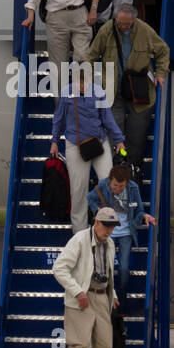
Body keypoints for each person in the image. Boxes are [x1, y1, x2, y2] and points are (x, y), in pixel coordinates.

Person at [86, 3, 168, 181]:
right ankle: (117, 171)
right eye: (120, 23)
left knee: (136, 136)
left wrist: (161, 73)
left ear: (134, 20)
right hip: (113, 90)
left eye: (127, 24)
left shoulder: (145, 31)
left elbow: (163, 51)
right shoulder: (108, 29)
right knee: (115, 134)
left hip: (139, 91)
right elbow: (90, 56)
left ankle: (132, 171)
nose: (123, 27)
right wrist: (90, 81)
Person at [53, 205, 121, 348]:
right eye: (106, 226)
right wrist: (77, 291)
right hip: (81, 297)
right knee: (82, 345)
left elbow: (108, 274)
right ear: (96, 223)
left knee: (105, 346)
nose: (109, 230)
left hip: (101, 298)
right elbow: (59, 268)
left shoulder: (110, 244)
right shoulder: (80, 240)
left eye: (113, 226)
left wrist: (113, 294)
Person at [51, 67, 125, 232]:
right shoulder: (67, 93)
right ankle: (80, 234)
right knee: (78, 190)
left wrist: (119, 139)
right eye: (79, 81)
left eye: (85, 82)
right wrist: (54, 140)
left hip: (99, 142)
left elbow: (107, 117)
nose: (82, 85)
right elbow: (59, 118)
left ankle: (108, 228)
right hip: (75, 144)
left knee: (109, 183)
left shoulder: (98, 92)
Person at [86, 164, 155, 305]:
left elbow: (139, 210)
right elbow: (90, 197)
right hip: (108, 231)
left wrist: (145, 216)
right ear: (110, 180)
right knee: (105, 267)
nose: (117, 189)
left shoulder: (133, 188)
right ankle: (105, 300)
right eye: (115, 185)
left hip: (126, 232)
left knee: (124, 268)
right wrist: (96, 209)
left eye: (121, 186)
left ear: (127, 183)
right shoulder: (103, 185)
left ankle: (121, 302)